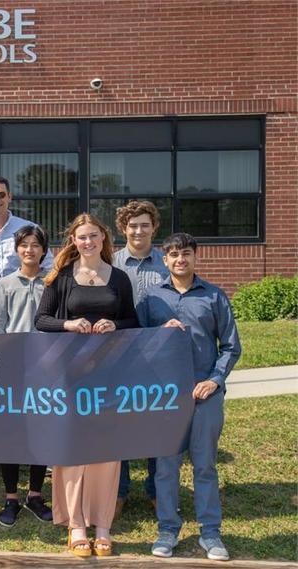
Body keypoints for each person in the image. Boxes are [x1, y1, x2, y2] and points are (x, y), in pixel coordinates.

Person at [34, 214, 138, 557]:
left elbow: (132, 322)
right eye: (82, 237)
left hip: (109, 375)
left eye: (94, 235)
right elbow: (42, 319)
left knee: (107, 452)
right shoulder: (61, 277)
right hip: (70, 375)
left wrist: (115, 323)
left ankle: (103, 524)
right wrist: (69, 323)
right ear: (73, 241)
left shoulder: (119, 278)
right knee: (74, 450)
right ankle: (76, 524)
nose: (88, 241)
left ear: (103, 238)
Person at [140, 233, 241, 562]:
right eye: (173, 254)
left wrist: (214, 381)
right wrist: (158, 334)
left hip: (204, 393)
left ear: (195, 257)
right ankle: (167, 530)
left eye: (185, 253)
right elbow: (137, 345)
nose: (179, 259)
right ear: (164, 260)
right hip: (165, 395)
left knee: (205, 466)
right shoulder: (151, 299)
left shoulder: (214, 296)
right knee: (165, 468)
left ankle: (210, 533)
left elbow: (230, 346)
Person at [0, 175, 53, 481]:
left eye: (1, 194)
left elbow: (50, 268)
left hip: (25, 313)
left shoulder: (25, 228)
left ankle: (37, 455)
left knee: (32, 394)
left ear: (10, 197)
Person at [0, 224, 54, 528]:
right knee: (11, 435)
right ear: (17, 250)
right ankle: (11, 496)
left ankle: (35, 494)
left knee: (41, 432)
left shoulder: (53, 282)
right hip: (12, 369)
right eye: (24, 245)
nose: (29, 250)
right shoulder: (4, 284)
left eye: (35, 245)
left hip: (46, 369)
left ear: (44, 250)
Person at [112, 201, 170, 517]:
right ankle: (119, 491)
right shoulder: (112, 263)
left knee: (155, 426)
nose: (138, 231)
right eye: (132, 225)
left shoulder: (167, 262)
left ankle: (155, 489)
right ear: (124, 229)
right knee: (120, 425)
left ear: (154, 227)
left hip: (159, 356)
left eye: (144, 225)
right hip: (121, 355)